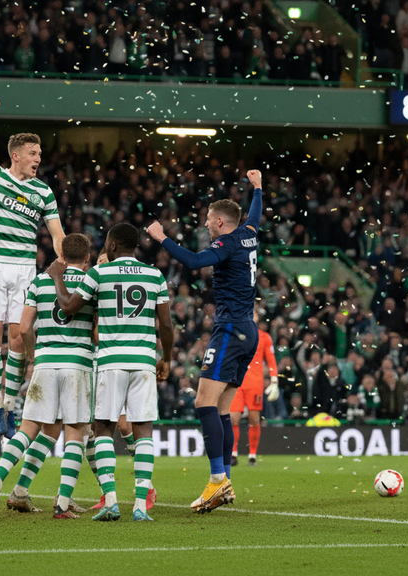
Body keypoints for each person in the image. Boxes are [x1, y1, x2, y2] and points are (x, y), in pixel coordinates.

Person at [146, 168, 264, 513]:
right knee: (222, 409)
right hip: (248, 330)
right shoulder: (248, 235)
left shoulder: (226, 243)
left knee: (203, 403)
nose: (206, 224)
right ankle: (224, 482)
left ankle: (216, 480)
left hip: (229, 329)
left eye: (210, 220)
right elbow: (254, 217)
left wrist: (162, 237)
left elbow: (196, 261)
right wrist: (258, 189)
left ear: (221, 223)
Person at [49, 223, 173, 522]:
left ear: (113, 246)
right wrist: (166, 358)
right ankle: (140, 505)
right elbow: (167, 325)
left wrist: (57, 277)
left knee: (103, 428)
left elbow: (68, 307)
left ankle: (112, 501)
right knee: (143, 431)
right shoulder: (155, 275)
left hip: (110, 360)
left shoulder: (99, 273)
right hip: (143, 360)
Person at [0, 96, 65, 439]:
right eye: (33, 153)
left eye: (40, 154)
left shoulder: (43, 192)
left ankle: (10, 405)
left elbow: (57, 234)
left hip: (23, 268)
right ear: (16, 155)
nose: (38, 159)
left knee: (19, 336)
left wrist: (68, 261)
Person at [0, 233, 95, 520]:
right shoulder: (93, 282)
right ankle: (63, 504)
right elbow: (95, 328)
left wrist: (33, 353)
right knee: (75, 434)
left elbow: (23, 328)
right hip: (78, 364)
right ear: (88, 257)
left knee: (28, 430)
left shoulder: (40, 281)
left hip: (45, 364)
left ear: (61, 255)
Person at [229, 308, 280, 466]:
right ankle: (233, 454)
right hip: (237, 381)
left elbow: (270, 358)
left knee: (254, 419)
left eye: (254, 314)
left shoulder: (264, 337)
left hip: (255, 383)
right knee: (233, 418)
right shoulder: (236, 335)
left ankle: (252, 455)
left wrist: (274, 378)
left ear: (258, 318)